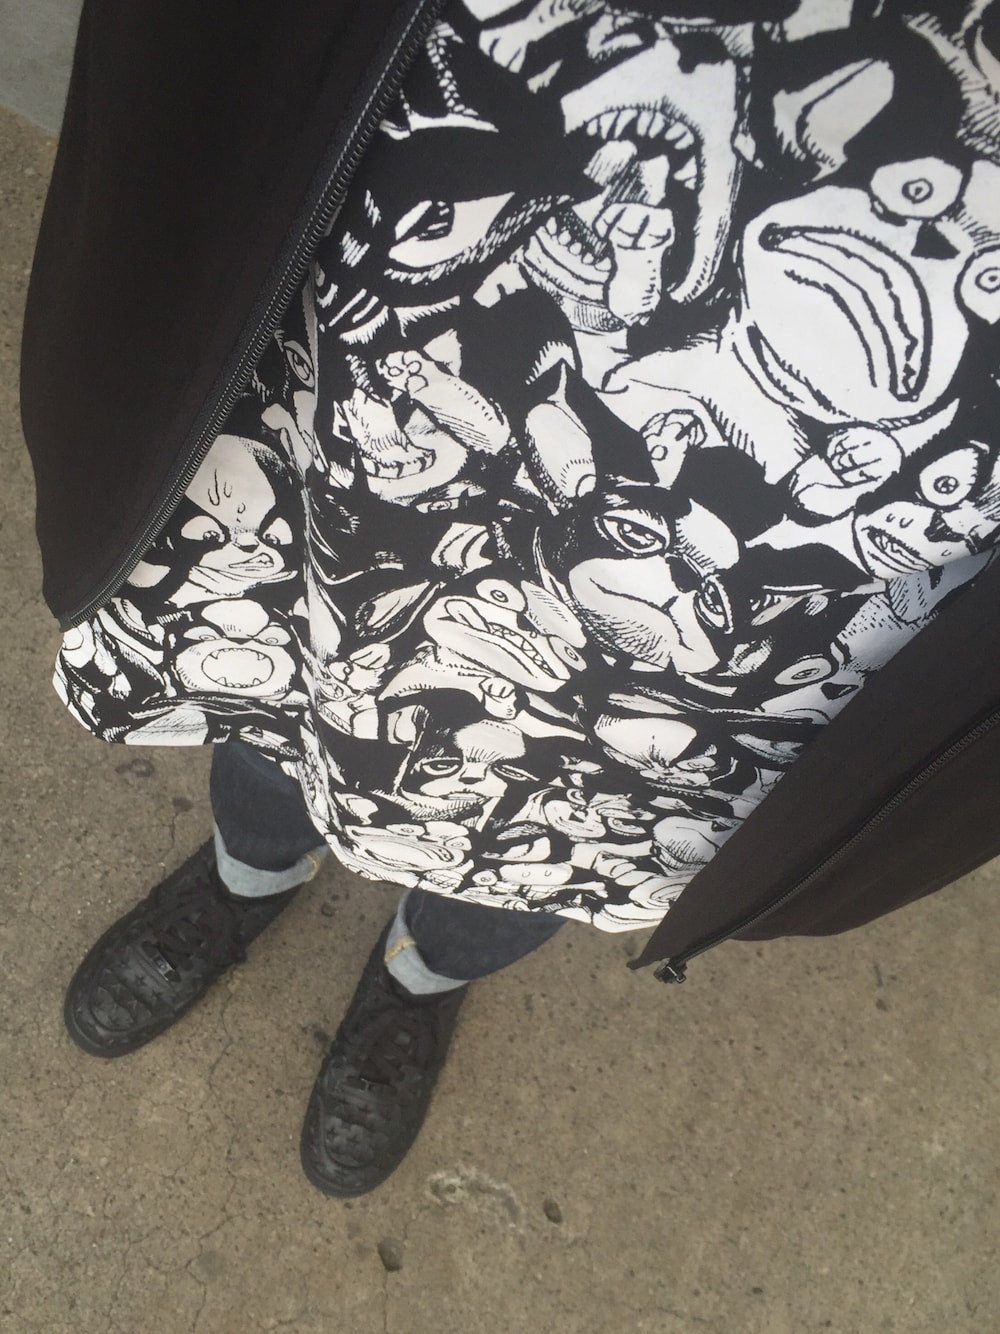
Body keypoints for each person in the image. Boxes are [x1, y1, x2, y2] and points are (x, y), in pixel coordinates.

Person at [20, 0, 1000, 1197]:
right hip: (380, 362)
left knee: (572, 806)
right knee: (300, 657)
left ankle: (424, 973)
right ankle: (248, 873)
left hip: (780, 625)